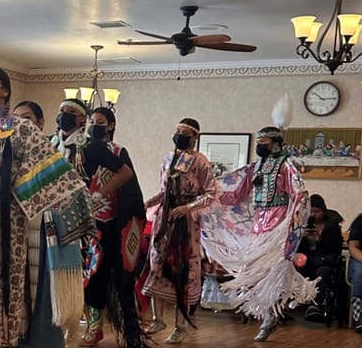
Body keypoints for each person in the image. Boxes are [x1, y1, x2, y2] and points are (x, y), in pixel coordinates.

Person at [0, 64, 95, 348]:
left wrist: (80, 220)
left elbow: (59, 181)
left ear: (5, 91)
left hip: (3, 237)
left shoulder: (21, 130)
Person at [201, 124, 312, 342]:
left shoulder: (286, 165)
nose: (260, 147)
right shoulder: (256, 167)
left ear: (276, 144)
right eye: (258, 144)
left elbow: (298, 193)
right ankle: (270, 313)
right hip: (258, 222)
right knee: (252, 270)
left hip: (278, 221)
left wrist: (293, 220)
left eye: (264, 144)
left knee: (272, 269)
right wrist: (210, 198)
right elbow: (238, 195)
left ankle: (272, 315)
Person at [142, 118, 216, 344]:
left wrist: (188, 208)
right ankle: (157, 319)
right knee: (157, 264)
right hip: (164, 220)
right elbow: (164, 191)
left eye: (185, 133)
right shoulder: (168, 158)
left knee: (182, 269)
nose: (180, 136)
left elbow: (211, 193)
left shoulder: (201, 162)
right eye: (178, 131)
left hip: (186, 224)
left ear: (195, 137)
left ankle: (181, 325)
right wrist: (147, 203)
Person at [79, 107, 146, 348]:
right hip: (83, 224)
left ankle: (107, 327)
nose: (95, 125)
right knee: (83, 276)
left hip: (110, 226)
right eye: (92, 121)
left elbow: (129, 190)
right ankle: (90, 324)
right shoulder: (81, 151)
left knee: (103, 275)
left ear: (110, 125)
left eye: (100, 121)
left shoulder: (118, 152)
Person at [298, 194, 343, 322]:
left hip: (325, 261)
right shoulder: (302, 225)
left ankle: (315, 305)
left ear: (324, 211)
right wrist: (302, 238)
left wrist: (319, 240)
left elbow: (335, 250)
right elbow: (295, 249)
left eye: (317, 211)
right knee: (291, 267)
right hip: (307, 260)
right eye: (311, 211)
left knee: (322, 272)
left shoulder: (332, 227)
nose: (313, 214)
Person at [51, 98, 91, 183]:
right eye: (62, 111)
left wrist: (100, 193)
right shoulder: (49, 141)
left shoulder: (90, 145)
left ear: (83, 118)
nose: (65, 114)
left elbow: (123, 171)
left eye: (72, 112)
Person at [348, 213, 362, 333]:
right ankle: (359, 315)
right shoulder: (360, 222)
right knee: (359, 271)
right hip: (360, 258)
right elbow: (353, 247)